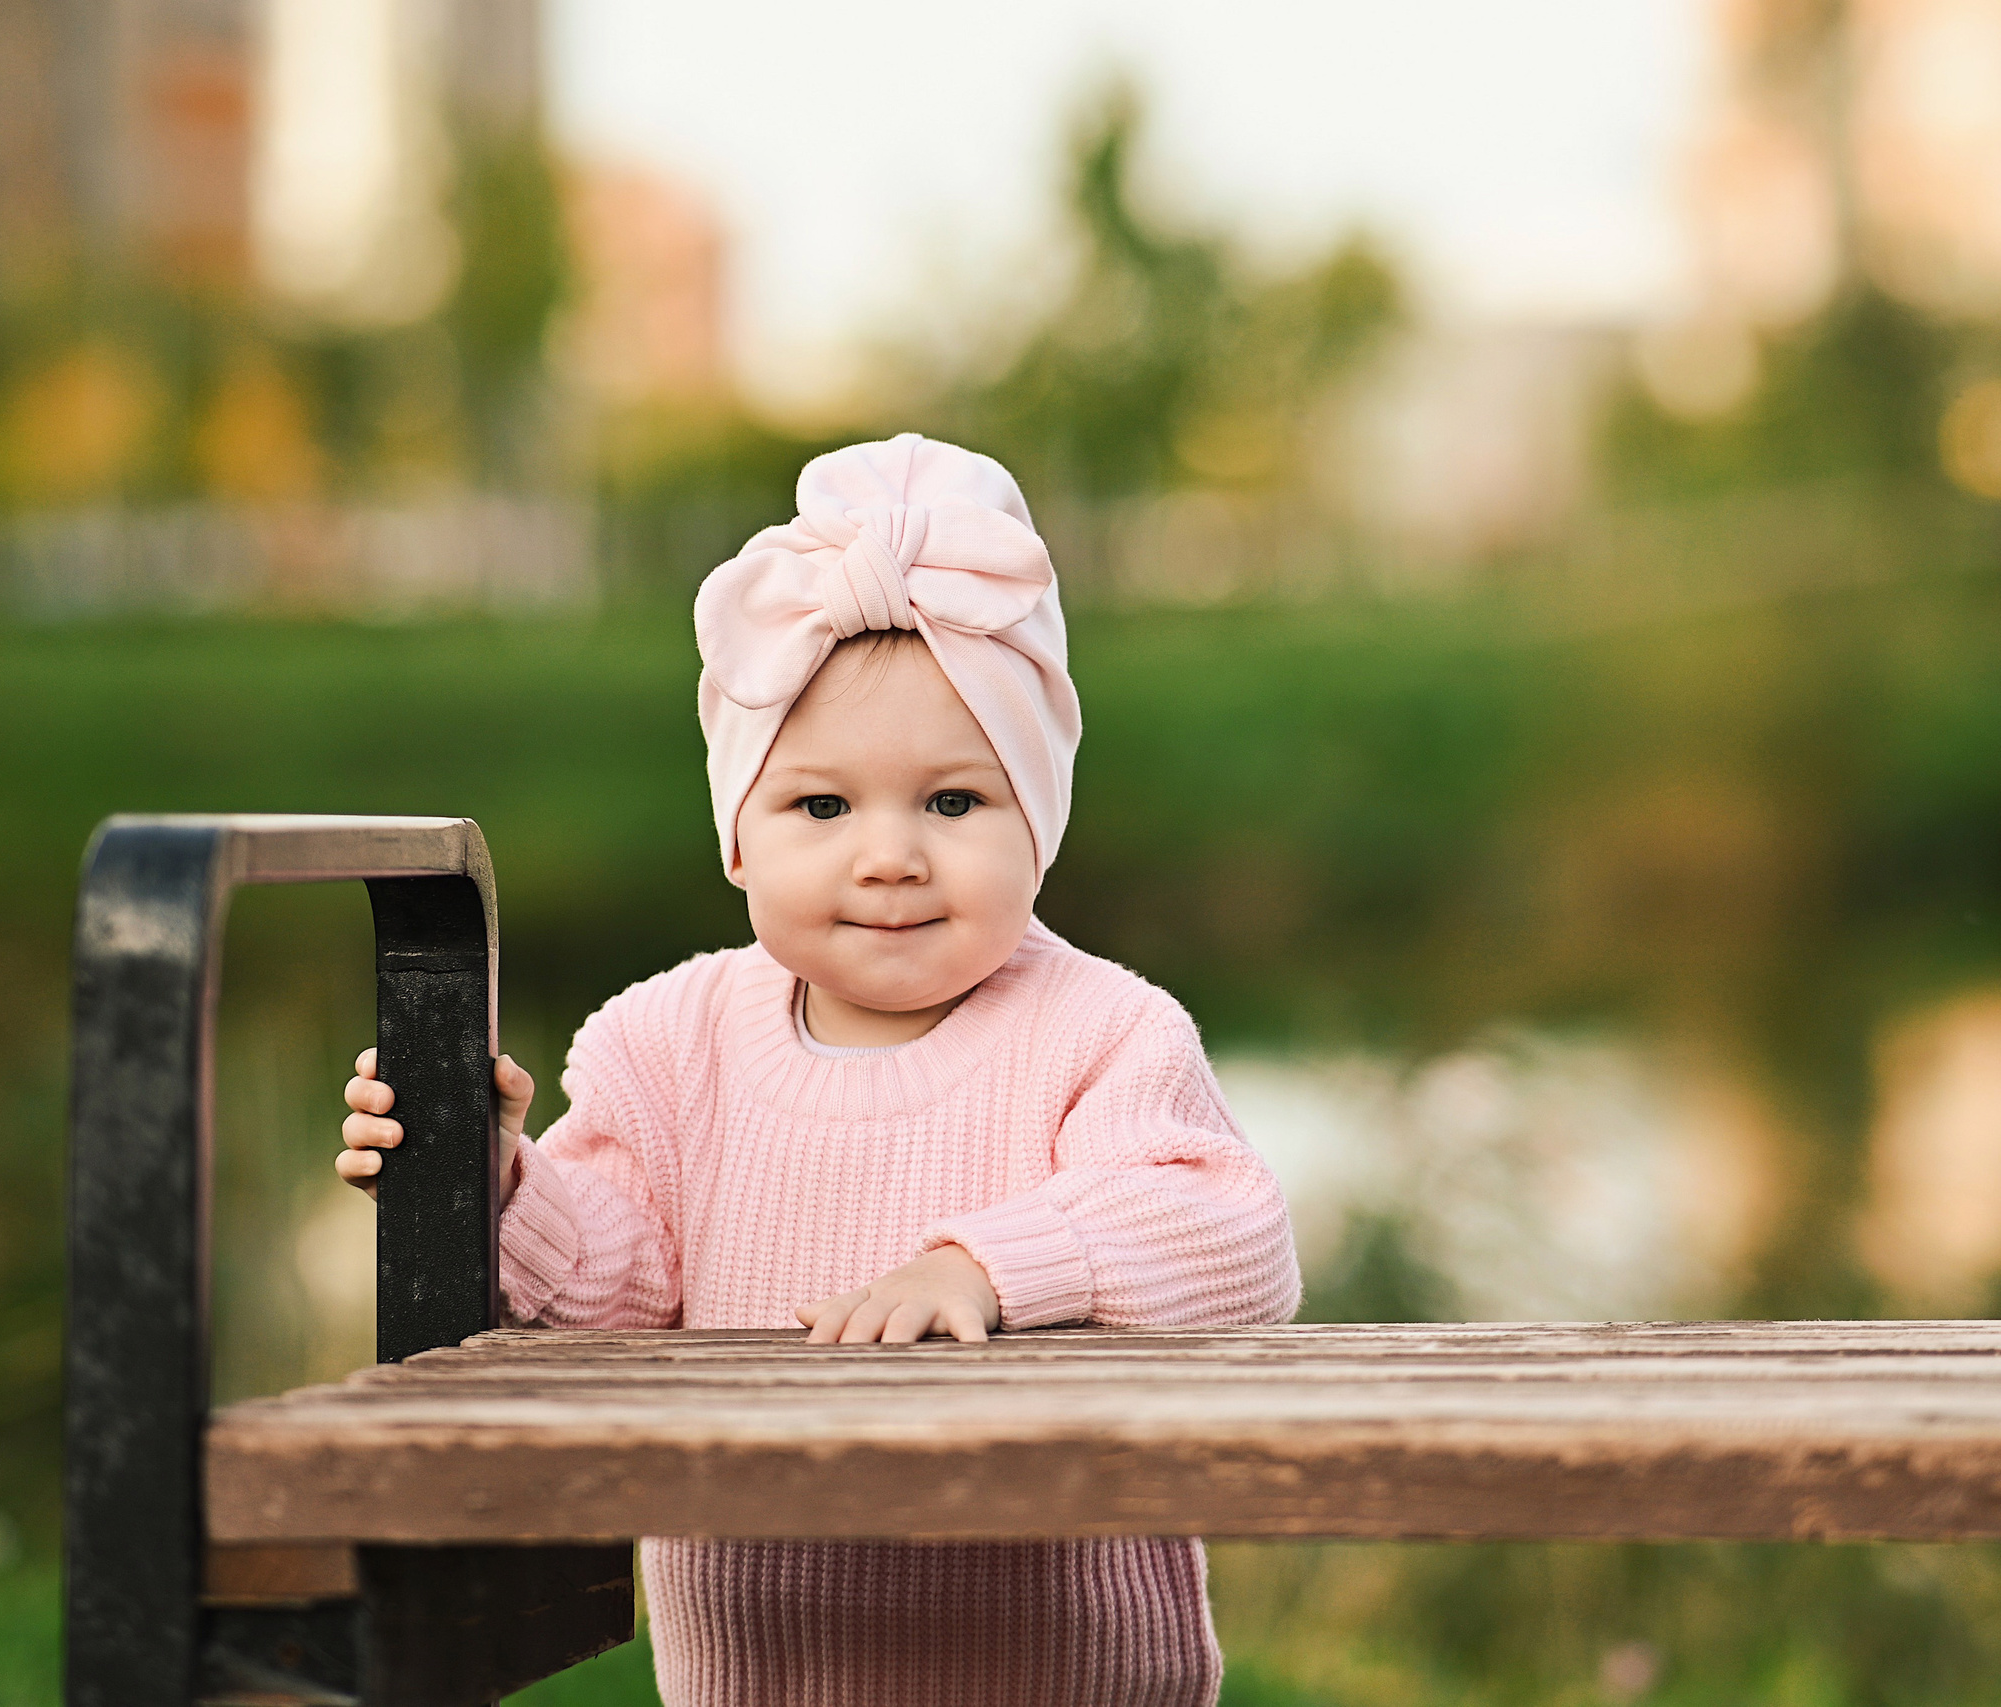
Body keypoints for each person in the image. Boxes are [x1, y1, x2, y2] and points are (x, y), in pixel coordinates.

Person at [334, 431, 1301, 1706]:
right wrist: (492, 1184)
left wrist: (984, 1269)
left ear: (1041, 827)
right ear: (738, 838)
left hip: (1061, 1671)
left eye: (955, 803)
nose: (891, 856)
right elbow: (619, 1291)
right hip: (759, 1668)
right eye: (822, 809)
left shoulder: (1102, 1030)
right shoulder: (666, 1041)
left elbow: (1232, 1239)